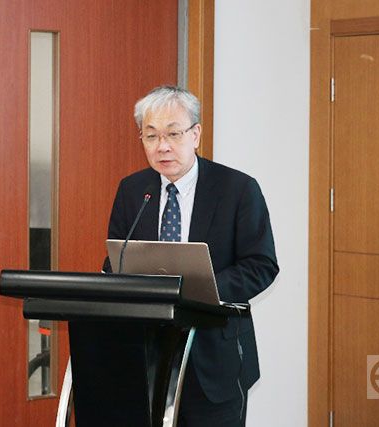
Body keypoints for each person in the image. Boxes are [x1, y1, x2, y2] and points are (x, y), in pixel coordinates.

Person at [103, 85, 279, 426]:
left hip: (214, 358)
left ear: (195, 134)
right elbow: (115, 260)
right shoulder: (133, 190)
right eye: (151, 135)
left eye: (173, 134)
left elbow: (261, 265)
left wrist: (198, 291)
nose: (162, 146)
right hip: (146, 358)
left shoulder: (238, 189)